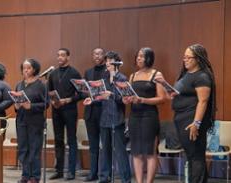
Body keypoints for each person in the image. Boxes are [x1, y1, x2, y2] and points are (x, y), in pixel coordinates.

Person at [156, 44, 216, 183]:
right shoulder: (185, 75)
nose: (185, 60)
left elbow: (203, 101)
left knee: (196, 157)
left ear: (198, 59)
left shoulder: (202, 76)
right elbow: (175, 94)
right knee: (192, 156)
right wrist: (163, 83)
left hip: (192, 120)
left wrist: (196, 123)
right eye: (184, 57)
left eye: (189, 57)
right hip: (181, 119)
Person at [84, 51, 131, 183]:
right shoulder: (104, 78)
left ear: (117, 63)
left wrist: (111, 95)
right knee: (105, 150)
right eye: (107, 61)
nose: (108, 64)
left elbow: (124, 99)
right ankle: (104, 177)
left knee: (120, 151)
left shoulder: (122, 78)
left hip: (117, 119)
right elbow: (101, 96)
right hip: (104, 118)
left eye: (110, 61)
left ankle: (125, 179)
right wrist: (92, 100)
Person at [123, 47, 165, 183]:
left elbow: (162, 99)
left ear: (149, 58)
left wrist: (142, 100)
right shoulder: (133, 75)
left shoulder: (156, 74)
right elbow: (128, 94)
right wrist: (126, 99)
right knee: (136, 152)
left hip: (149, 116)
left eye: (142, 56)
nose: (138, 58)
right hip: (134, 116)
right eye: (138, 56)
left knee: (150, 152)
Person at [48, 48, 82, 180]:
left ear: (68, 57)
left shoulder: (74, 73)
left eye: (62, 55)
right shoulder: (53, 73)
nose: (59, 58)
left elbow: (82, 94)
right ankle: (59, 170)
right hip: (56, 110)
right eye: (58, 55)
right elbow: (49, 92)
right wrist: (52, 100)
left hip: (70, 110)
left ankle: (72, 171)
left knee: (71, 140)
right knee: (58, 140)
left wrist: (68, 99)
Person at [14, 59, 48, 183]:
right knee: (23, 148)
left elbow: (46, 104)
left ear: (34, 69)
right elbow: (16, 101)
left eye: (28, 68)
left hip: (35, 121)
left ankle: (35, 176)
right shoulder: (19, 84)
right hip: (21, 120)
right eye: (24, 68)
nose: (26, 70)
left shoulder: (41, 85)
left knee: (34, 149)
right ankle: (25, 175)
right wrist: (16, 106)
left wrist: (31, 106)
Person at [82, 47, 107, 182]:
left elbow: (108, 91)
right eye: (95, 54)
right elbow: (84, 92)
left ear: (104, 56)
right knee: (93, 145)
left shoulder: (108, 71)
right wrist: (84, 90)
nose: (97, 56)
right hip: (90, 113)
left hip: (104, 112)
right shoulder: (88, 72)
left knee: (105, 145)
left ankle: (105, 174)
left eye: (99, 54)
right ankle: (93, 173)